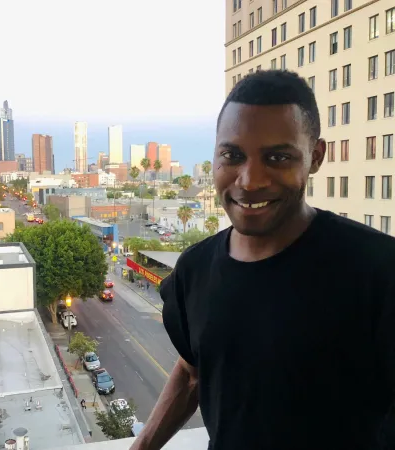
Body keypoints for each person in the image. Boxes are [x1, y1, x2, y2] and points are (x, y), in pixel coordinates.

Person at [130, 70, 395, 450]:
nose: (250, 180)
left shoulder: (378, 271)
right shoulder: (194, 269)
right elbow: (192, 373)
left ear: (315, 157)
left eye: (278, 157)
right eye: (232, 155)